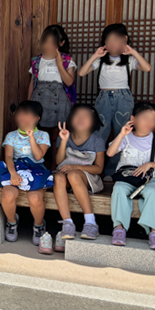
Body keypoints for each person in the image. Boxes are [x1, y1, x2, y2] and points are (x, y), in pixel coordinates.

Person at [78, 23, 152, 178]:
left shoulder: (129, 60)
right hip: (104, 98)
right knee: (99, 134)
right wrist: (95, 55)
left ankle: (113, 171)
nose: (112, 44)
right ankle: (94, 169)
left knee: (121, 134)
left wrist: (132, 51)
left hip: (123, 98)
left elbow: (147, 68)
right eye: (108, 40)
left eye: (116, 40)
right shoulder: (101, 60)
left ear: (124, 40)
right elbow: (82, 73)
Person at [108, 102, 155, 250]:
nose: (150, 123)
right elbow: (110, 153)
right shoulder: (126, 137)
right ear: (133, 118)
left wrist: (150, 164)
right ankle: (119, 229)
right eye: (145, 118)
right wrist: (121, 134)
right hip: (127, 179)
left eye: (154, 119)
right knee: (118, 189)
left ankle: (154, 232)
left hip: (150, 180)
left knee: (151, 192)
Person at [0, 101, 52, 246]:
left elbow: (39, 156)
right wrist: (13, 173)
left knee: (35, 198)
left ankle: (39, 225)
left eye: (27, 114)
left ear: (37, 118)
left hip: (36, 170)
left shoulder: (43, 135)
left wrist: (31, 136)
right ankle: (11, 222)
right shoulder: (11, 136)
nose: (22, 117)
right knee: (8, 194)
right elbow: (8, 157)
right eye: (20, 113)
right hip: (15, 169)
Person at [53, 104, 105, 244]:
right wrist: (64, 141)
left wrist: (75, 167)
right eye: (77, 115)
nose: (81, 118)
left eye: (86, 116)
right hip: (66, 174)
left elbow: (99, 168)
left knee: (74, 174)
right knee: (58, 176)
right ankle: (67, 222)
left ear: (94, 121)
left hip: (88, 177)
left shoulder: (97, 140)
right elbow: (59, 162)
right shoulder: (64, 136)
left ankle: (90, 222)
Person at [28, 25, 76, 140]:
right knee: (38, 131)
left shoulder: (67, 60)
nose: (48, 46)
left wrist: (59, 64)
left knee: (58, 131)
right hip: (40, 98)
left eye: (52, 42)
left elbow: (69, 82)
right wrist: (29, 103)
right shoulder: (37, 61)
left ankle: (56, 157)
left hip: (59, 99)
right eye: (45, 41)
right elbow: (32, 83)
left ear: (61, 43)